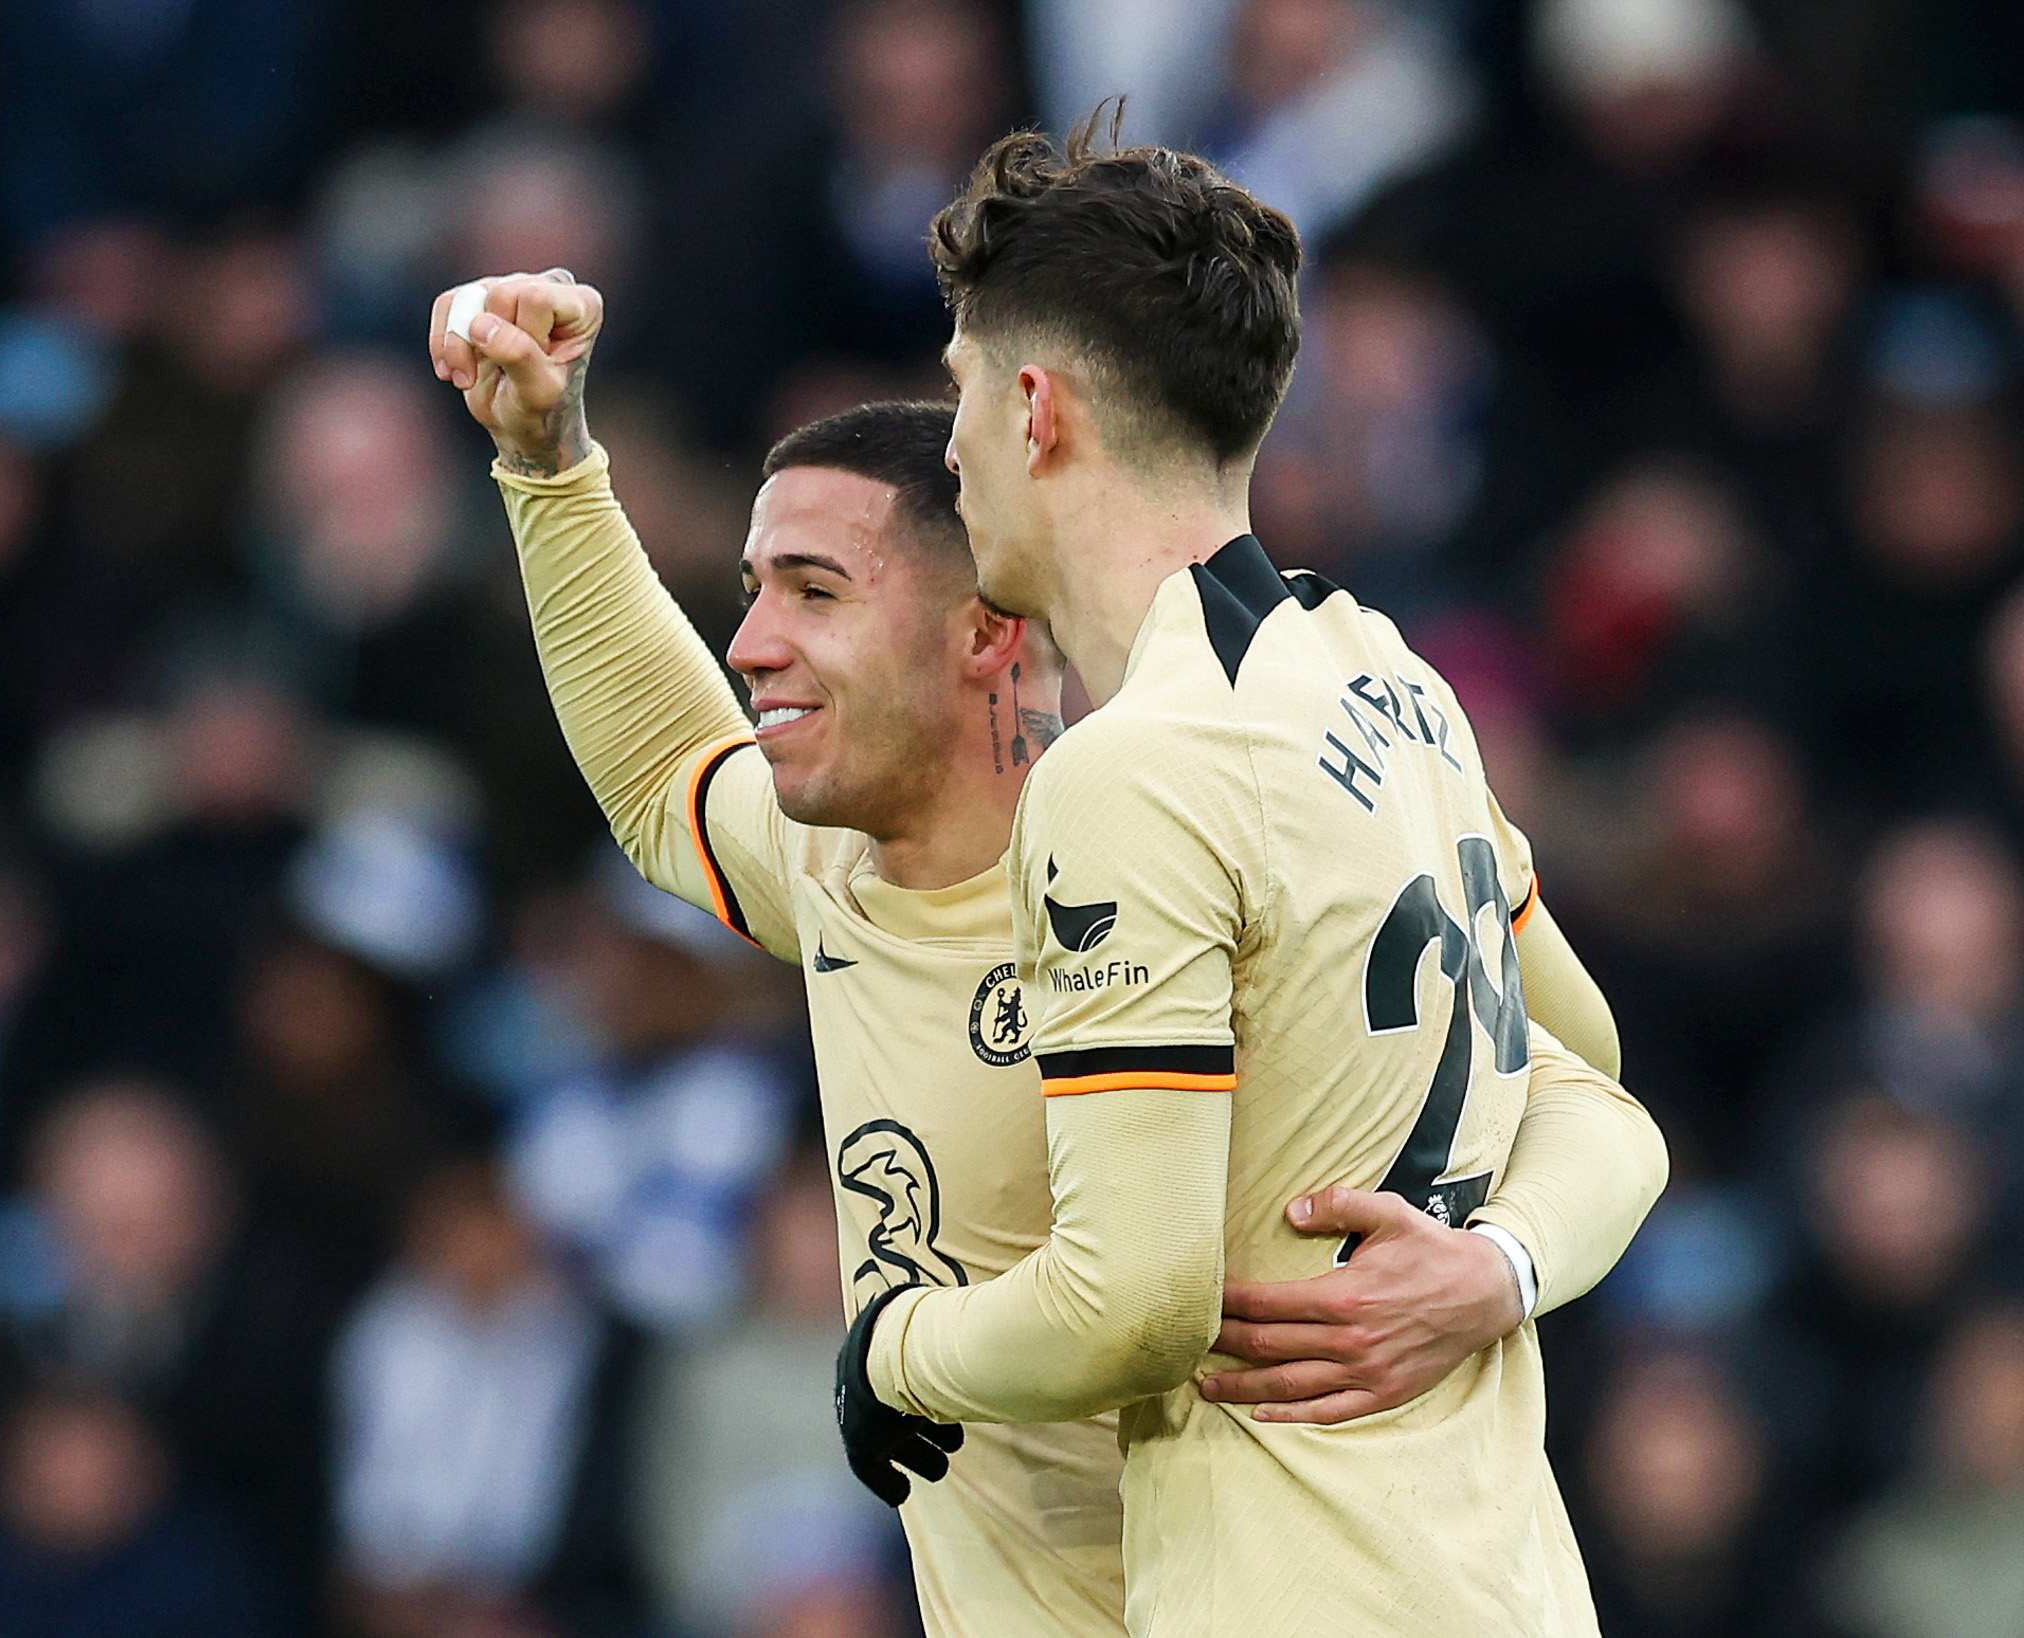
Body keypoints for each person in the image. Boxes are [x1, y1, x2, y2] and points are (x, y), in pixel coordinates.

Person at [428, 269, 1663, 1635]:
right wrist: (549, 464)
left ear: (984, 632)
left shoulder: (1174, 854)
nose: (752, 644)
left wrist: (1500, 1263)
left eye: (816, 592)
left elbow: (1572, 1080)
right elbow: (666, 768)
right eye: (753, 591)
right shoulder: (840, 866)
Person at [848, 128, 1664, 1633]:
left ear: (1034, 409)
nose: (945, 447)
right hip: (1505, 1588)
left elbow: (1133, 1305)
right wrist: (1500, 1263)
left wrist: (890, 1352)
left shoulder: (1135, 770)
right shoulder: (1390, 681)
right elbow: (1595, 1079)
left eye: (960, 388)